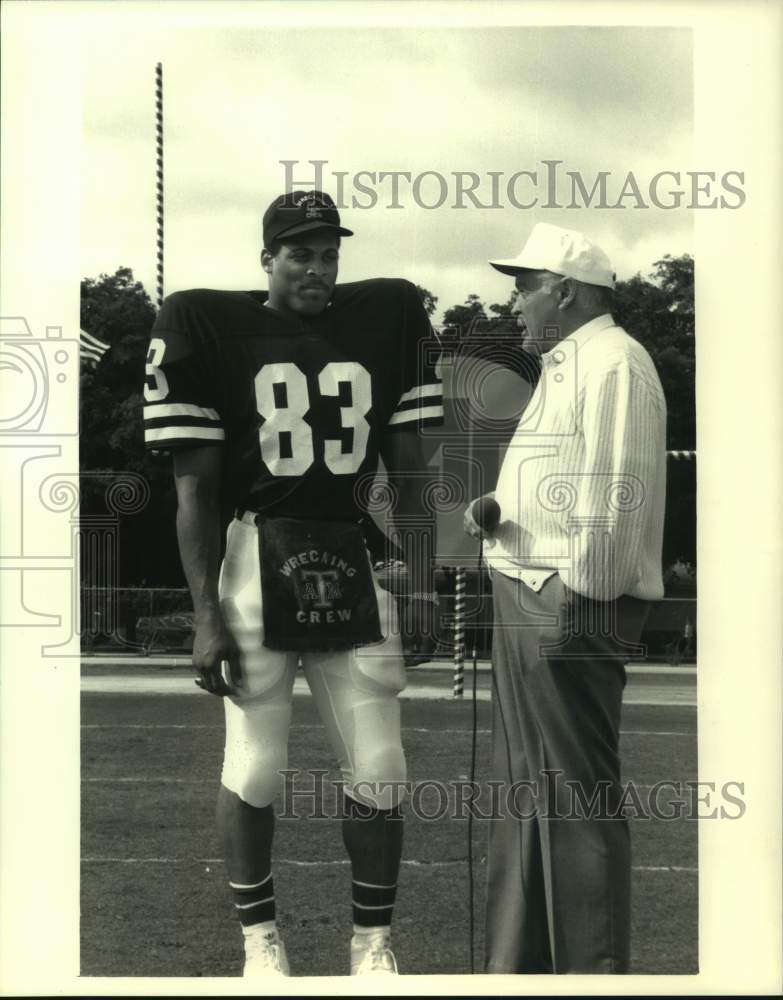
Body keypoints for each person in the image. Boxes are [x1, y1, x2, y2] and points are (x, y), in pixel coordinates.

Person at [143, 191, 442, 977]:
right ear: (266, 258)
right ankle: (259, 941)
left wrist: (420, 580)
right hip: (252, 555)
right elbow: (196, 494)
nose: (317, 268)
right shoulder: (206, 325)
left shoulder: (385, 317)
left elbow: (412, 472)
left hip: (354, 555)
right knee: (255, 766)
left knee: (380, 768)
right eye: (299, 253)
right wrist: (204, 613)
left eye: (328, 253)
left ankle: (373, 946)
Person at [464, 222, 667, 973]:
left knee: (575, 803)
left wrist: (576, 599)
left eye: (523, 283)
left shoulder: (614, 362)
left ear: (565, 290)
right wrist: (498, 506)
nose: (512, 297)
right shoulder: (568, 362)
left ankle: (592, 974)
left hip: (567, 604)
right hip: (533, 588)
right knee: (526, 796)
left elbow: (618, 496)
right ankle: (520, 972)